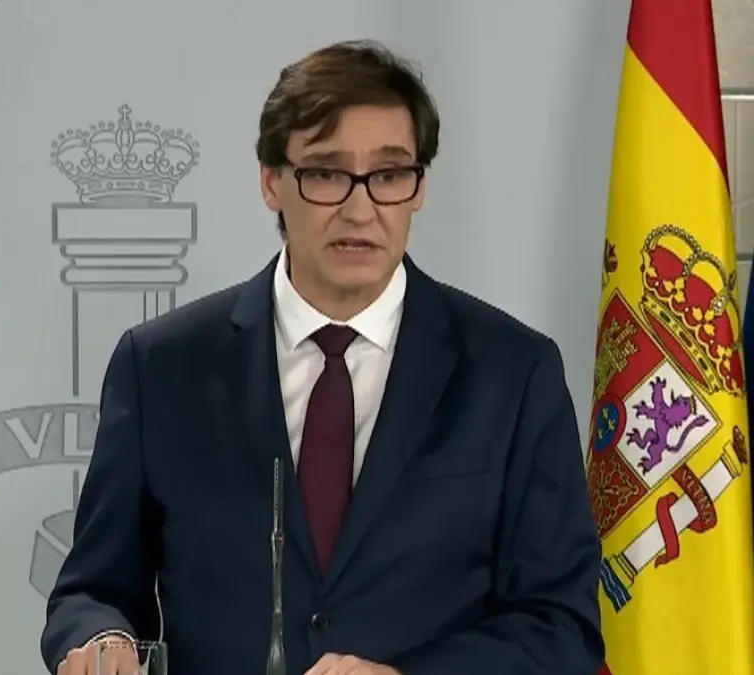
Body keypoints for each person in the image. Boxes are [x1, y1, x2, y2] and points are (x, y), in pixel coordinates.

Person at [40, 39, 604, 675]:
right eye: (327, 174)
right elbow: (92, 590)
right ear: (271, 181)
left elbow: (562, 626)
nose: (360, 209)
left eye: (388, 175)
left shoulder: (513, 373)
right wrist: (102, 637)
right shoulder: (162, 367)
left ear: (419, 187)